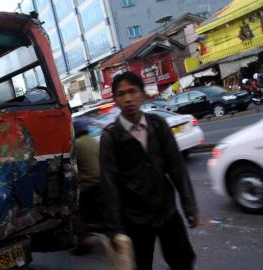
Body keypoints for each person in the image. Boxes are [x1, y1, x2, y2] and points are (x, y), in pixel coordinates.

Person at [99, 71, 199, 270]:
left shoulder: (158, 125)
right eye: (121, 94)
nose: (128, 99)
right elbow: (109, 186)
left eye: (132, 91)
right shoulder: (111, 137)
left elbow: (176, 168)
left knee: (183, 260)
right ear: (115, 101)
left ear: (143, 95)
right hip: (135, 219)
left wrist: (190, 207)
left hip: (167, 210)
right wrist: (115, 231)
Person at [70, 117, 104, 254]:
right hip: (102, 183)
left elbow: (72, 168)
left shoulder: (77, 145)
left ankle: (84, 240)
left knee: (74, 212)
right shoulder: (92, 141)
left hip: (89, 186)